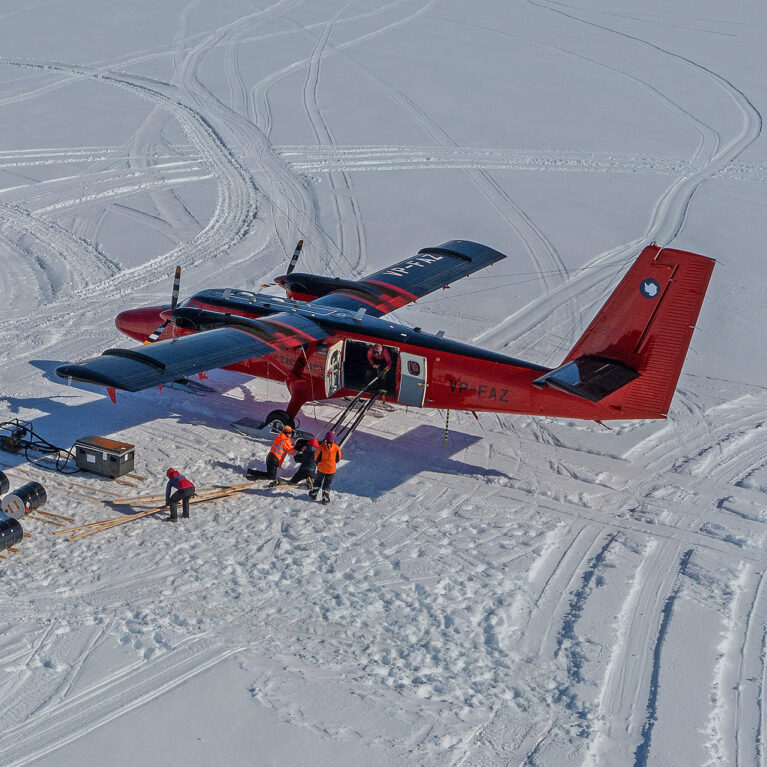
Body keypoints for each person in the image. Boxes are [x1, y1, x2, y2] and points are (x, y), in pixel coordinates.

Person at [309, 431, 341, 505]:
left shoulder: (321, 448)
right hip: (331, 469)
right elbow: (338, 458)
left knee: (318, 481)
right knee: (327, 484)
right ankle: (325, 498)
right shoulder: (336, 447)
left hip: (321, 469)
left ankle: (314, 494)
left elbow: (316, 457)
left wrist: (318, 463)